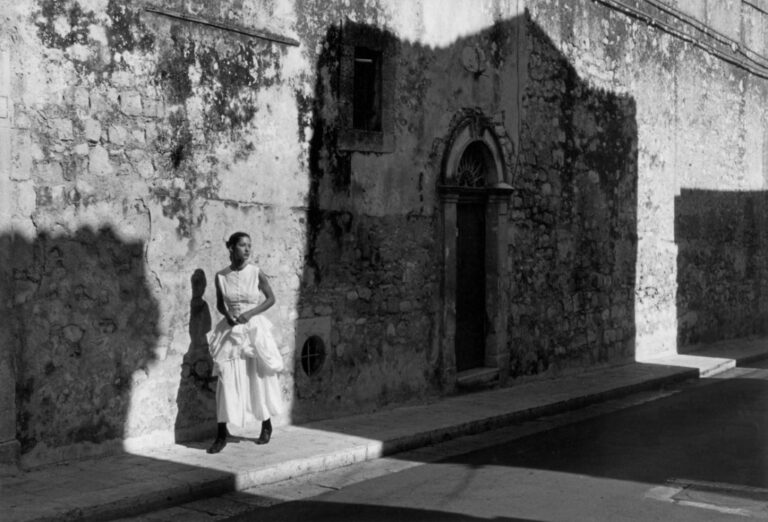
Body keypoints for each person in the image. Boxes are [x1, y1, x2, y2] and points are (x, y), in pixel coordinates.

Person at [206, 231, 284, 454]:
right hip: (231, 330)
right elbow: (221, 304)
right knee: (226, 379)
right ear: (231, 248)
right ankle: (221, 432)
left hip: (253, 328)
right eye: (242, 245)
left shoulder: (256, 273)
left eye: (249, 245)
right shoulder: (221, 276)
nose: (247, 249)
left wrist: (250, 314)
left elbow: (271, 299)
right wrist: (228, 315)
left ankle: (266, 424)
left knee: (258, 376)